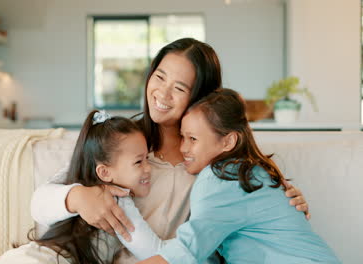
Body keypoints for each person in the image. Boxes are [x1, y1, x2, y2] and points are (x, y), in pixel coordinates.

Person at [31, 38, 310, 263]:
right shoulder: (127, 142)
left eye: (179, 88)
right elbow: (40, 203)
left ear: (201, 98)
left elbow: (262, 216)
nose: (162, 94)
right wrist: (77, 196)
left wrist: (286, 203)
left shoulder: (221, 168)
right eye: (159, 77)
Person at [136, 89, 340, 264]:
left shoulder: (220, 177)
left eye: (193, 139)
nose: (184, 148)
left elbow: (187, 250)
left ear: (228, 142)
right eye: (183, 137)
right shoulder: (249, 171)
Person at [0, 110, 161, 263]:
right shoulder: (119, 201)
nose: (148, 168)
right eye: (139, 162)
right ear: (104, 172)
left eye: (147, 158)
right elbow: (153, 252)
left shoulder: (78, 178)